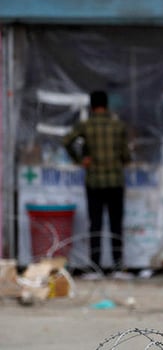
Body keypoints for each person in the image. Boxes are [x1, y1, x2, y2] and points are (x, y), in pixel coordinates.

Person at [63, 90, 132, 279]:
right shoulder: (118, 126)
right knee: (116, 224)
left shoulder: (86, 125)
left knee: (96, 224)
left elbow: (67, 141)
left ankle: (95, 268)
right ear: (107, 105)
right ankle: (118, 267)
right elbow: (126, 156)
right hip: (115, 181)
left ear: (92, 106)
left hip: (94, 181)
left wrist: (80, 159)